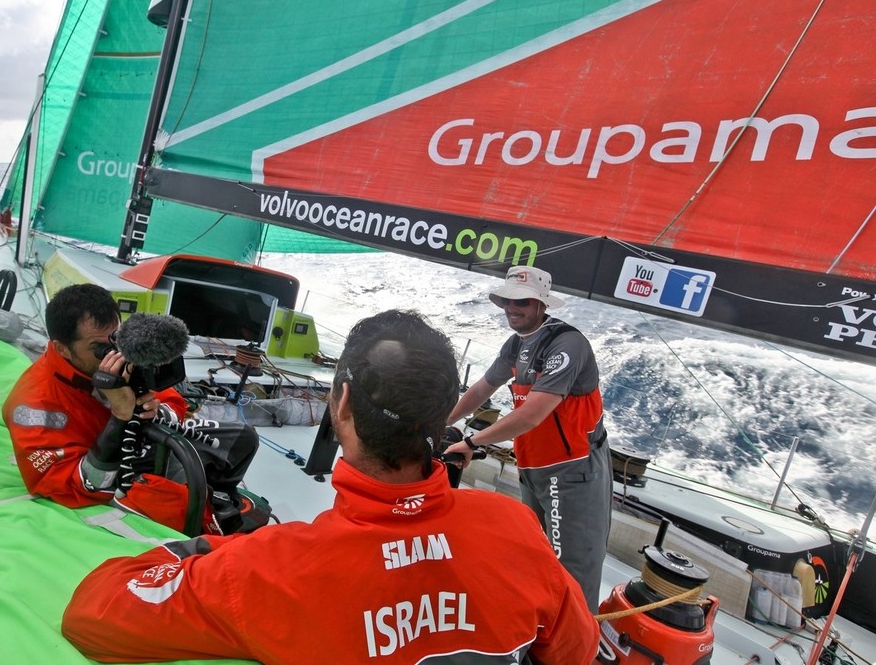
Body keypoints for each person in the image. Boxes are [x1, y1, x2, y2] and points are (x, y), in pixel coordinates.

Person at [62, 309, 599, 664]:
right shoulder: (513, 528)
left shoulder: (273, 568)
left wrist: (210, 547)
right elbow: (576, 650)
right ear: (444, 415)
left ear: (340, 406)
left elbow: (92, 611)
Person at [3, 283, 257, 532]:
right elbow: (76, 484)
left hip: (140, 441)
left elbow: (171, 399)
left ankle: (216, 500)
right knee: (180, 499)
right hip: (104, 469)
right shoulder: (33, 404)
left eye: (115, 341)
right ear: (62, 348)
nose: (113, 355)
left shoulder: (119, 355)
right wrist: (120, 416)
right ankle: (205, 518)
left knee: (242, 440)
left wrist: (156, 411)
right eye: (98, 349)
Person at [443, 266, 611, 613]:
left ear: (540, 304)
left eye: (521, 301)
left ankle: (574, 644)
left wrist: (472, 443)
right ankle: (537, 625)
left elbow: (532, 414)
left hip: (572, 472)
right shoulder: (516, 343)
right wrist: (440, 422)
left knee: (573, 570)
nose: (511, 308)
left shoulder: (567, 344)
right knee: (531, 551)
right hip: (532, 467)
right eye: (506, 300)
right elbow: (481, 388)